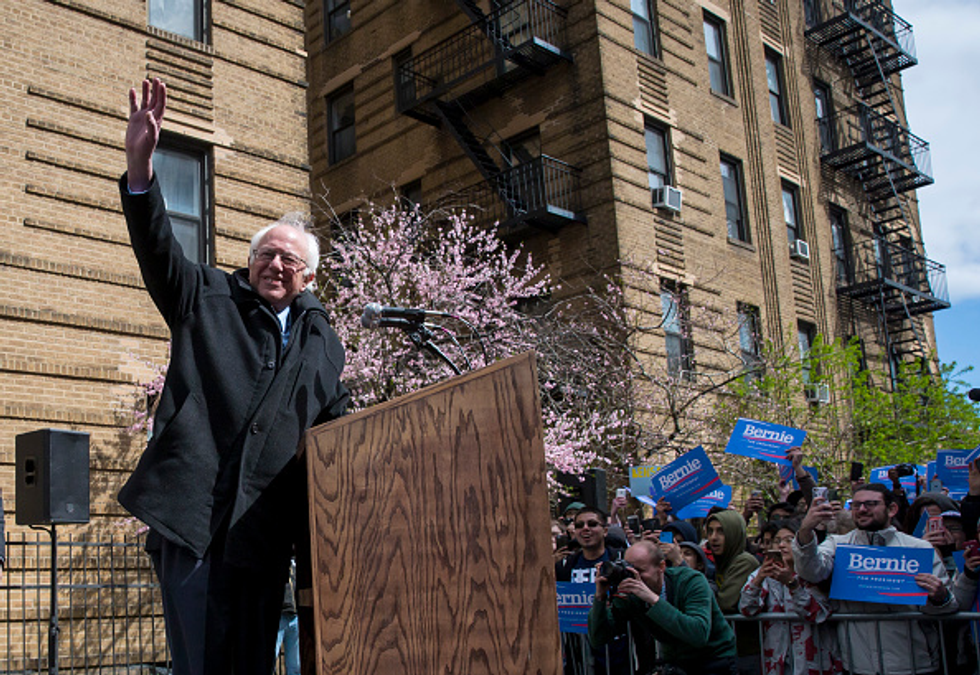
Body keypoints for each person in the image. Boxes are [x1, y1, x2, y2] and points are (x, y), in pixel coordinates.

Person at [120, 78, 349, 675]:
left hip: (263, 538)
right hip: (193, 521)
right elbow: (158, 247)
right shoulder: (204, 294)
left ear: (308, 277)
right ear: (249, 263)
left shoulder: (324, 344)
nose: (275, 263)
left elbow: (338, 427)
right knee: (199, 665)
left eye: (289, 259)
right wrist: (141, 169)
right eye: (265, 254)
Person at [793, 483, 958, 675]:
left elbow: (948, 607)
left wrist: (939, 596)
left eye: (871, 504)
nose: (862, 509)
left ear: (892, 509)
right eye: (856, 505)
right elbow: (811, 571)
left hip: (914, 662)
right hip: (858, 664)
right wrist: (805, 530)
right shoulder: (838, 545)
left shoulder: (919, 549)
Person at [589, 540, 737, 675]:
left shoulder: (691, 581)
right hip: (677, 663)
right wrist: (600, 598)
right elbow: (598, 638)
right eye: (629, 570)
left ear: (661, 566)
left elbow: (698, 634)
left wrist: (652, 599)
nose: (634, 577)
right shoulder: (631, 595)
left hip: (715, 659)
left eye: (640, 571)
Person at [739, 520, 841, 675]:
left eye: (789, 540)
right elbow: (747, 608)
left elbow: (817, 613)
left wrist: (792, 584)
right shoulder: (763, 574)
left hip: (813, 659)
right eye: (777, 541)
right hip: (777, 659)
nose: (781, 545)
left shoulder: (814, 574)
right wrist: (758, 580)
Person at [273, 558, 300, 675]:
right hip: (280, 615)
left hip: (294, 615)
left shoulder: (296, 565)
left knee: (295, 665)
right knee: (271, 659)